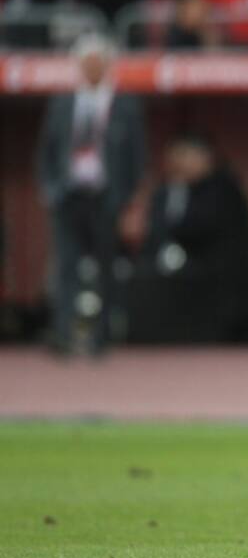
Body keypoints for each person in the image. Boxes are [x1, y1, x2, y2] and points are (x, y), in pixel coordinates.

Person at [36, 34, 146, 355]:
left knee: (105, 266)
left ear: (108, 66)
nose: (93, 69)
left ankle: (102, 335)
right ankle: (63, 333)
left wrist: (123, 196)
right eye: (87, 63)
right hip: (68, 195)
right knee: (66, 266)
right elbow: (47, 150)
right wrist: (50, 188)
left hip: (105, 196)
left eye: (99, 63)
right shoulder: (63, 102)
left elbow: (136, 157)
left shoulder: (124, 104)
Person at [129, 133, 248, 342]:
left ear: (205, 157)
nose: (177, 163)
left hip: (211, 269)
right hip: (166, 267)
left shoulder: (224, 189)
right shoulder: (165, 191)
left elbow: (207, 229)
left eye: (184, 156)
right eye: (173, 157)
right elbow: (155, 231)